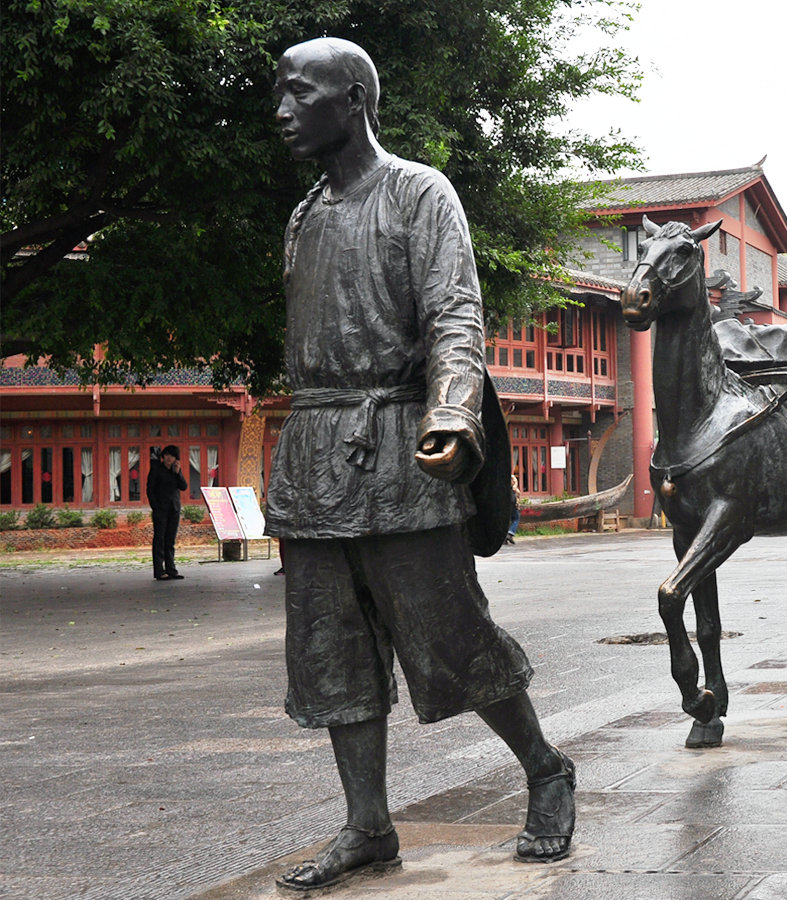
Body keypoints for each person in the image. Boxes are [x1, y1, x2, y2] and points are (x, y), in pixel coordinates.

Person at [266, 38, 572, 890]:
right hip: (318, 454)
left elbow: (454, 318)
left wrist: (449, 414)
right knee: (332, 655)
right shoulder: (304, 215)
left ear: (354, 97)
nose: (282, 111)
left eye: (300, 94)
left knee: (451, 638)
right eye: (280, 95)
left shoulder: (419, 193)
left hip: (403, 450)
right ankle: (368, 824)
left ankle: (546, 767)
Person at [147, 445, 187, 580]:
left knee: (170, 540)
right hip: (160, 509)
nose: (169, 458)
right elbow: (150, 489)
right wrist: (155, 507)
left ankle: (171, 569)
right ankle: (159, 571)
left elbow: (184, 486)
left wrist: (177, 472)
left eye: (172, 456)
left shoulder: (175, 471)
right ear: (163, 456)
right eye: (167, 455)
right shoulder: (156, 469)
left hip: (174, 509)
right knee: (160, 540)